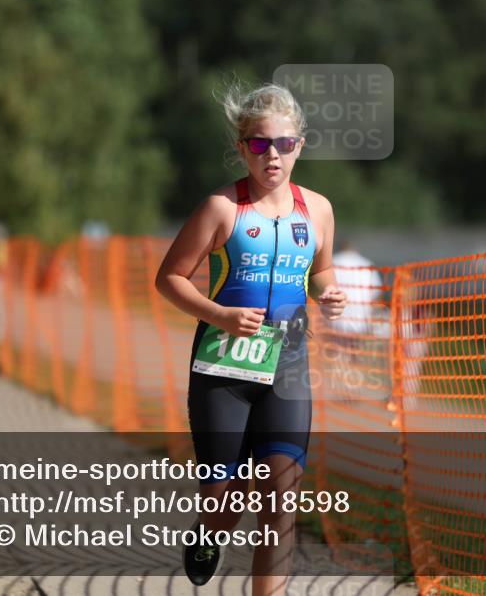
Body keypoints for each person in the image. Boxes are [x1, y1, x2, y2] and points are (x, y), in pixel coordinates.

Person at [155, 83, 347, 594]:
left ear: (300, 146)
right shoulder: (221, 208)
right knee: (228, 497)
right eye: (260, 145)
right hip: (223, 372)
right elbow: (168, 278)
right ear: (243, 148)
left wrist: (329, 294)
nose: (273, 156)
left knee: (281, 502)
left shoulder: (319, 210)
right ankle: (207, 533)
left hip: (287, 371)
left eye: (285, 145)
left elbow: (321, 271)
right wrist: (219, 314)